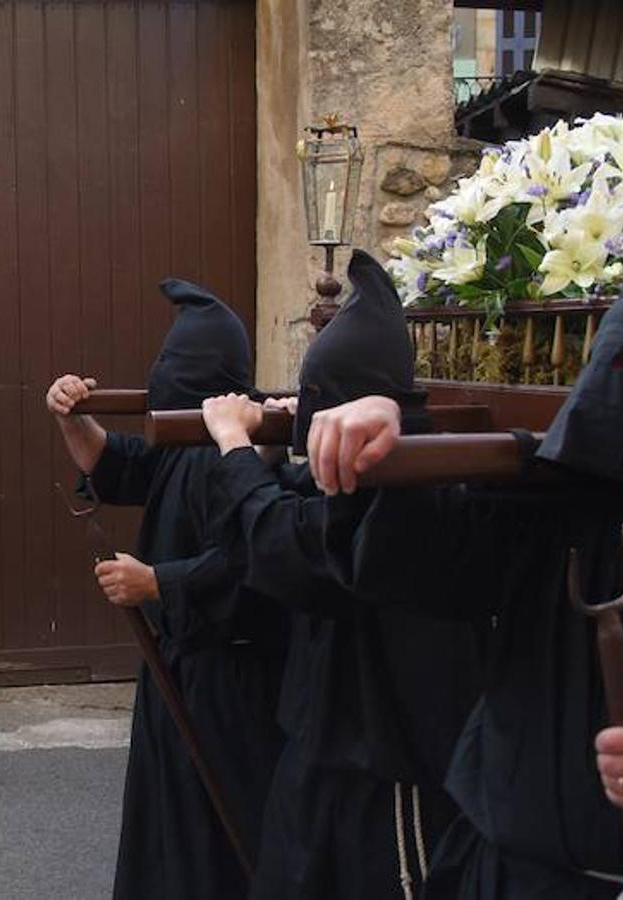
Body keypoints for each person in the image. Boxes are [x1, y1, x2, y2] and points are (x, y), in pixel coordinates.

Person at [212, 243, 623, 896]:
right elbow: (414, 560)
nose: (611, 394)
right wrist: (391, 433)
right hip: (497, 869)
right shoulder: (558, 504)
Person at [198, 251, 485, 900]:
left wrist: (235, 446)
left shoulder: (414, 490)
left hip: (387, 775)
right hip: (319, 750)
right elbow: (292, 513)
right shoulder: (358, 478)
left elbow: (291, 547)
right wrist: (271, 447)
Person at [46, 279, 287, 899]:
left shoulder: (241, 453)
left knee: (218, 840)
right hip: (176, 669)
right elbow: (116, 463)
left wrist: (157, 581)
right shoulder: (185, 441)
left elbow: (253, 562)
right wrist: (72, 415)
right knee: (168, 838)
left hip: (231, 684)